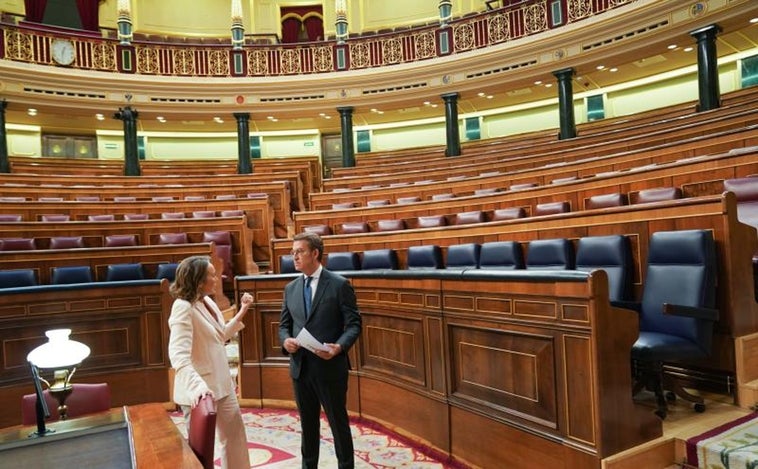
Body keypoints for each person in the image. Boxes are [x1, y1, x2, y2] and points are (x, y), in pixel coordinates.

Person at [279, 232, 362, 469]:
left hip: (329, 368)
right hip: (300, 368)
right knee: (308, 426)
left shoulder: (339, 284)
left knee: (338, 424)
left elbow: (354, 323)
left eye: (299, 251)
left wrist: (340, 347)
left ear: (315, 253)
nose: (294, 256)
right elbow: (284, 326)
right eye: (292, 252)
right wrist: (286, 341)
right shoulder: (290, 288)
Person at [167, 255, 252, 469]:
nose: (217, 278)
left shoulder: (208, 301)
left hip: (223, 383)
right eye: (211, 275)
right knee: (201, 449)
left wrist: (241, 312)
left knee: (234, 437)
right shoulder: (182, 307)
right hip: (199, 391)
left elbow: (220, 335)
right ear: (198, 280)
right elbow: (178, 355)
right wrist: (199, 388)